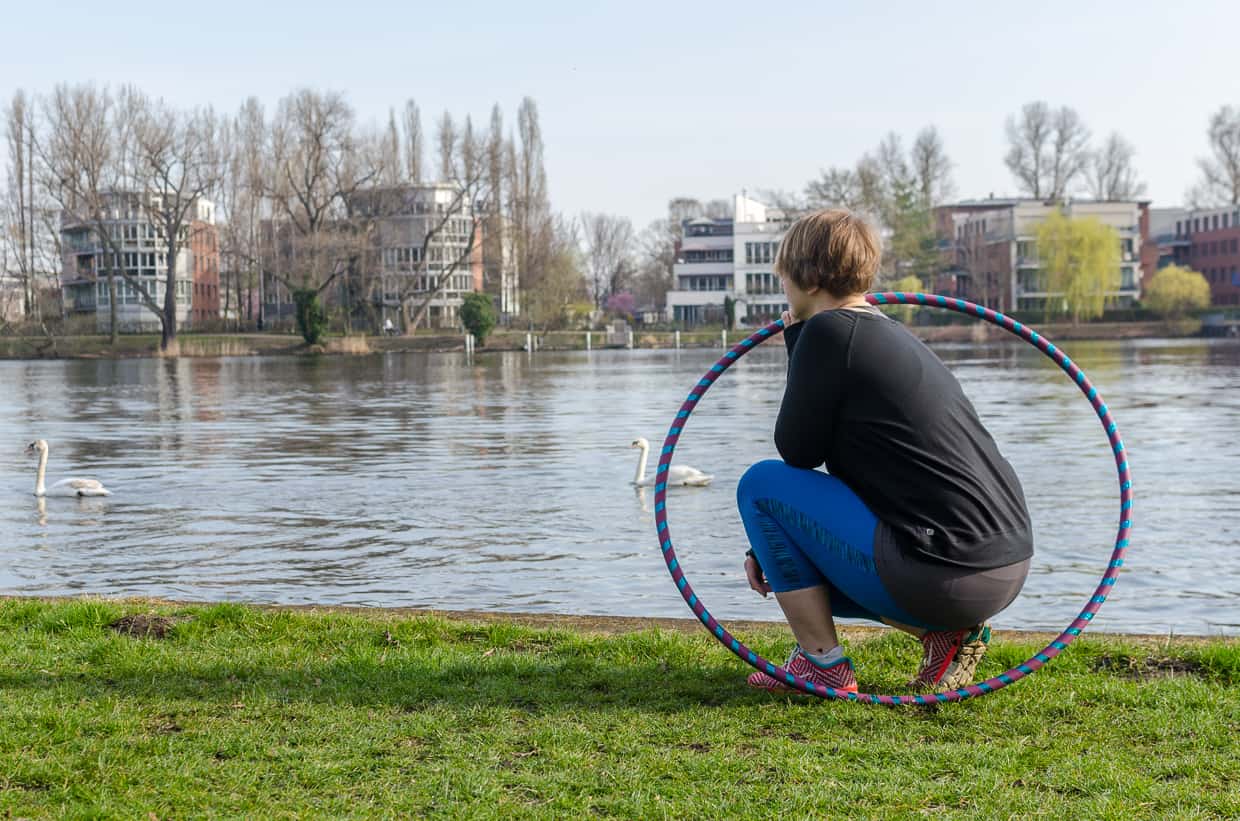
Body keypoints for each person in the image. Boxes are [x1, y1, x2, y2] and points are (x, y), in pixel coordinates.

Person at [738, 209, 1032, 695]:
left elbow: (796, 451)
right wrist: (767, 545)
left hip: (945, 570)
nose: (782, 291)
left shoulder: (828, 332)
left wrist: (797, 338)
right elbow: (864, 476)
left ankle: (822, 664)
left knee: (759, 484)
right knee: (782, 533)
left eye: (783, 278)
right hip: (999, 568)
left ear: (808, 279)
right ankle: (945, 635)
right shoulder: (886, 335)